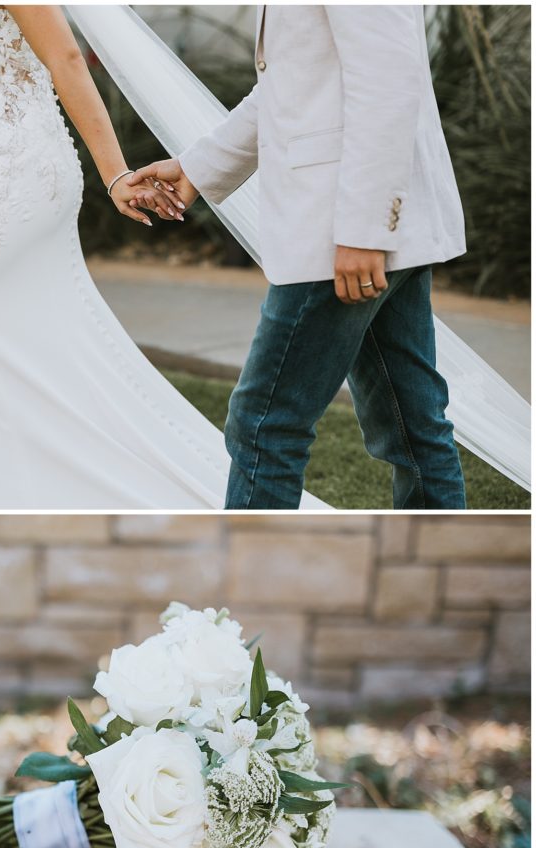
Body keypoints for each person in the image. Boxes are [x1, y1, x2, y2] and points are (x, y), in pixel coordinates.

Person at [0, 4, 275, 509]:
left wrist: (115, 173)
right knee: (6, 349)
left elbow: (67, 58)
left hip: (13, 178)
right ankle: (9, 498)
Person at [130, 5, 468, 510]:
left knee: (265, 424)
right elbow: (290, 84)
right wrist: (197, 168)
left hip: (340, 233)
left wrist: (362, 231)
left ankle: (248, 590)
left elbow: (389, 82)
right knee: (413, 427)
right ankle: (448, 585)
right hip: (367, 232)